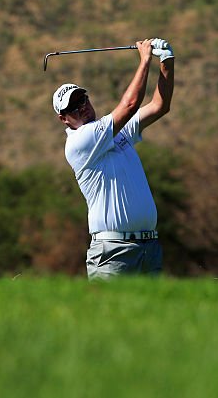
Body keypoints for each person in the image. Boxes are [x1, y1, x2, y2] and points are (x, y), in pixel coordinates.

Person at [52, 37, 174, 280]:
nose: (82, 107)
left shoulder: (116, 134)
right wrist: (145, 60)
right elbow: (129, 104)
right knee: (108, 319)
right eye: (73, 108)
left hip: (148, 249)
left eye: (83, 99)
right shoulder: (79, 142)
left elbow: (160, 105)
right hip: (113, 253)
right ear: (64, 119)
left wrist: (167, 61)